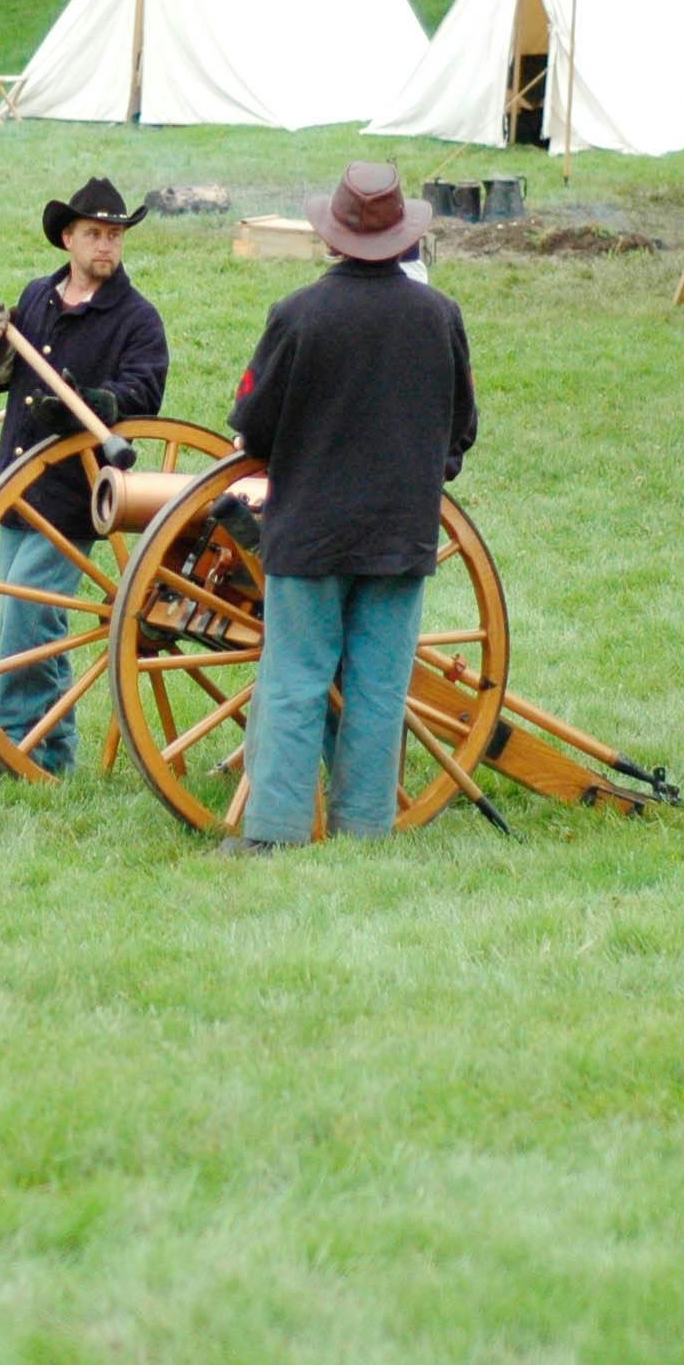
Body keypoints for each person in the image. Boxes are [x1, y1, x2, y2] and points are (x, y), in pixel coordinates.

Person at [225, 164, 477, 853]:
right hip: (400, 532)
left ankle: (274, 833)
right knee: (378, 687)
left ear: (333, 238)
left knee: (294, 680)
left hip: (307, 530)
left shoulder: (297, 314)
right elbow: (462, 429)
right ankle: (365, 831)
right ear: (404, 239)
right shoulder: (439, 315)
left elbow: (253, 427)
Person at [0, 177, 172, 778]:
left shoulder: (137, 318)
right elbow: (2, 379)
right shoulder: (37, 297)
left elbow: (145, 393)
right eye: (95, 235)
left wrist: (95, 402)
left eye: (115, 236)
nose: (107, 246)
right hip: (17, 484)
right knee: (40, 622)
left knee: (27, 620)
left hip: (78, 493)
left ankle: (17, 750)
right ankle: (52, 749)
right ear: (68, 238)